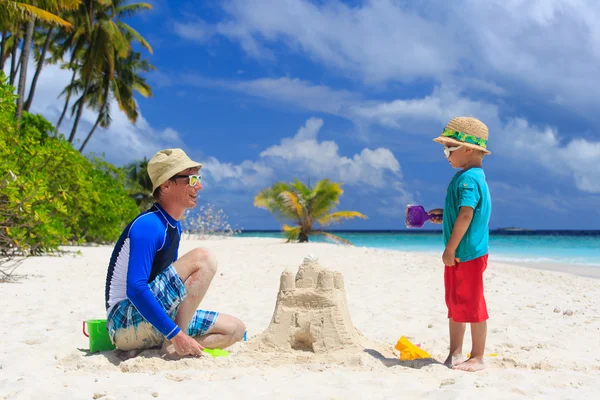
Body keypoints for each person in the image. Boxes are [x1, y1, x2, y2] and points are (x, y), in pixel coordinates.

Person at [104, 148, 246, 359]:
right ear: (166, 184)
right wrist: (176, 333)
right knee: (203, 258)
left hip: (148, 316)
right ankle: (174, 342)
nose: (199, 185)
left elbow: (172, 285)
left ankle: (167, 347)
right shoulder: (149, 225)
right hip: (123, 320)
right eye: (191, 179)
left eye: (198, 178)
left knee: (236, 329)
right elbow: (135, 288)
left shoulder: (173, 226)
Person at [427, 117, 492, 372]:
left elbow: (466, 215)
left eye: (448, 149)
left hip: (467, 253)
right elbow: (464, 212)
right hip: (463, 253)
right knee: (455, 303)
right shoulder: (471, 177)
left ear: (467, 149)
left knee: (473, 304)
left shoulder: (468, 180)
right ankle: (454, 352)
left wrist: (450, 248)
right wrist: (444, 215)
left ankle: (477, 356)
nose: (446, 155)